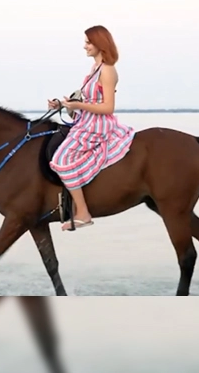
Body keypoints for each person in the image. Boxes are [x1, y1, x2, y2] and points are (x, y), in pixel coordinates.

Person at [48, 25, 136, 231]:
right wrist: (62, 105)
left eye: (88, 42)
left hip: (96, 124)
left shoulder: (107, 71)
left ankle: (83, 212)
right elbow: (89, 98)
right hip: (85, 120)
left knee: (61, 159)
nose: (84, 46)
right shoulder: (94, 69)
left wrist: (77, 106)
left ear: (99, 44)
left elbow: (108, 107)